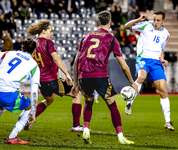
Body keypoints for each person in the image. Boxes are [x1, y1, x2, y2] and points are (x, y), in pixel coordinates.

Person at [71, 10, 138, 144]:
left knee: (88, 102)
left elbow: (76, 62)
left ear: (98, 22)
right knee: (112, 106)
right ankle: (120, 137)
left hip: (84, 76)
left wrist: (76, 83)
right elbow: (124, 66)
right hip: (100, 76)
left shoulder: (86, 36)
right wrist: (132, 82)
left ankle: (86, 129)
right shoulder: (111, 39)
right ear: (111, 22)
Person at [0, 38, 40, 144]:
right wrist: (33, 113)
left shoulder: (10, 53)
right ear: (34, 51)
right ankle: (13, 137)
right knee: (29, 106)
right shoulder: (33, 65)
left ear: (22, 48)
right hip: (5, 92)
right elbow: (34, 91)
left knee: (0, 108)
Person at [25, 20, 83, 132]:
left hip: (41, 82)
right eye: (50, 31)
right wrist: (67, 74)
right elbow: (56, 58)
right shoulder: (48, 43)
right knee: (77, 94)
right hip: (52, 80)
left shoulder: (33, 44)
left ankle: (28, 119)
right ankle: (76, 126)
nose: (52, 34)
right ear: (43, 31)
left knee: (49, 99)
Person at [124, 10, 174, 131]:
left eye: (158, 20)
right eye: (154, 20)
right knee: (141, 77)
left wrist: (163, 59)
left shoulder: (166, 34)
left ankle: (168, 121)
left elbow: (160, 48)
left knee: (163, 90)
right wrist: (138, 20)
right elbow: (126, 26)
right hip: (143, 59)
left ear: (163, 21)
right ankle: (129, 102)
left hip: (156, 62)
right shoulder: (146, 25)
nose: (155, 22)